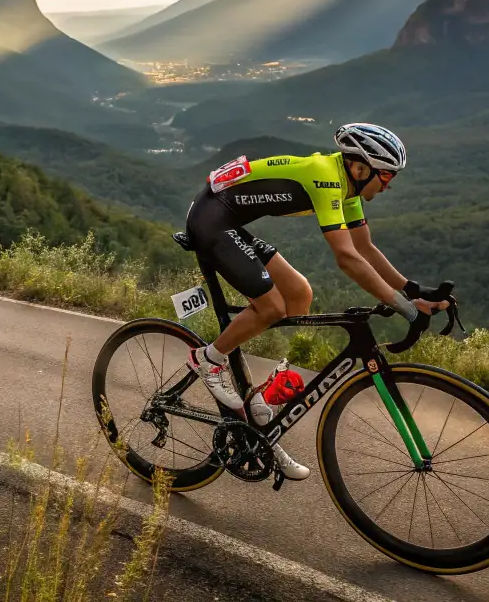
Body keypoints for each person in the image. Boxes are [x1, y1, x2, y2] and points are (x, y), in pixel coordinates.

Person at [183, 121, 449, 481]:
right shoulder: (326, 176)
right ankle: (209, 359)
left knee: (299, 295)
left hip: (230, 221)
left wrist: (413, 290)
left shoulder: (349, 188)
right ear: (361, 167)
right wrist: (403, 309)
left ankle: (257, 402)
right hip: (211, 221)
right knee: (272, 306)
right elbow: (346, 257)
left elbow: (365, 248)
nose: (388, 185)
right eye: (386, 176)